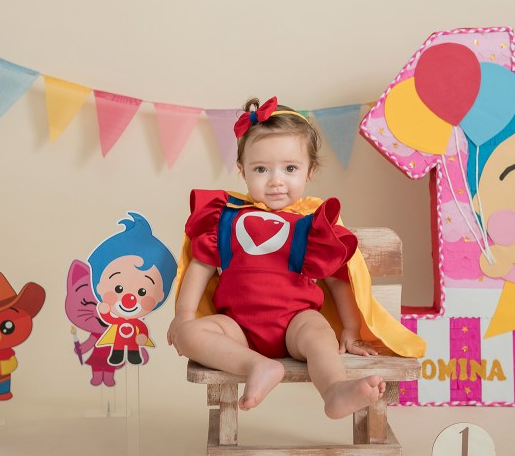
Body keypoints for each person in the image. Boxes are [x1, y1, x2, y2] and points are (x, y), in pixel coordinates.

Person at [168, 97, 424, 419]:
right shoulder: (226, 217)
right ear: (242, 171)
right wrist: (183, 315)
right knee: (189, 334)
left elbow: (338, 278)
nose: (276, 180)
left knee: (319, 334)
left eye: (290, 169)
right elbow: (201, 265)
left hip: (295, 323)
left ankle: (335, 390)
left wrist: (350, 329)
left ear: (309, 171)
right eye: (261, 169)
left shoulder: (310, 223)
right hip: (237, 330)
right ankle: (257, 365)